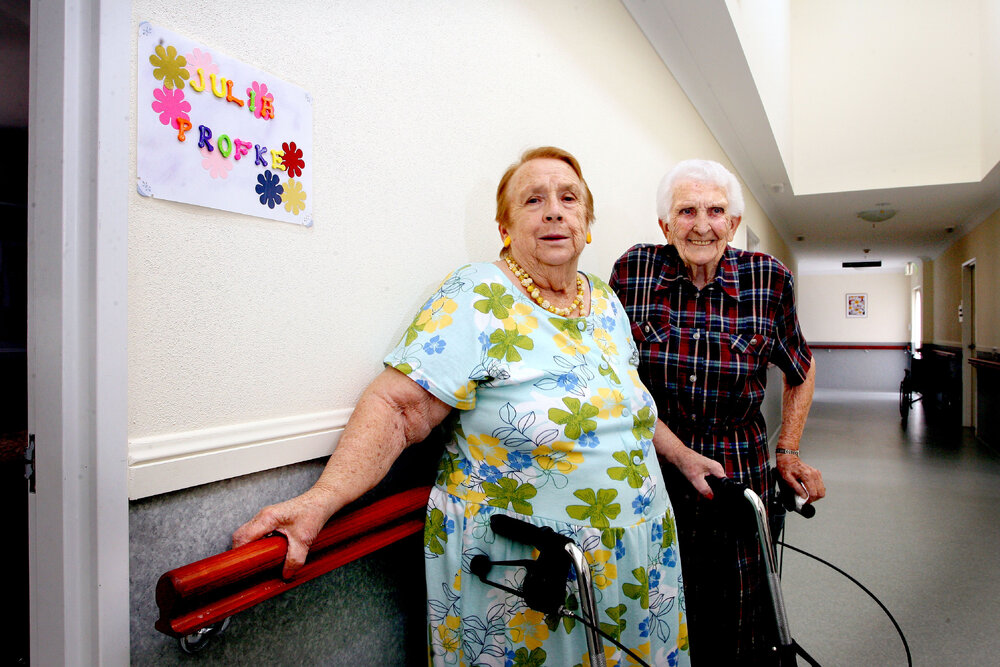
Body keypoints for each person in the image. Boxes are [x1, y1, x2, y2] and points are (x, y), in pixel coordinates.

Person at [234, 147, 691, 666]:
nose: (554, 211)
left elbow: (627, 405)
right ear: (505, 226)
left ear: (587, 223)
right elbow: (400, 409)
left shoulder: (605, 300)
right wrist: (320, 501)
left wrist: (683, 457)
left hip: (637, 550)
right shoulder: (476, 295)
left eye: (569, 199)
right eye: (533, 200)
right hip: (528, 566)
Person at [609, 159, 825, 665]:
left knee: (743, 608)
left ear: (732, 223)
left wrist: (788, 451)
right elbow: (612, 373)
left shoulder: (767, 279)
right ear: (665, 225)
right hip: (656, 461)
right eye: (686, 211)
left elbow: (801, 368)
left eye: (715, 210)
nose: (701, 224)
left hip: (738, 464)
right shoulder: (633, 272)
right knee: (659, 596)